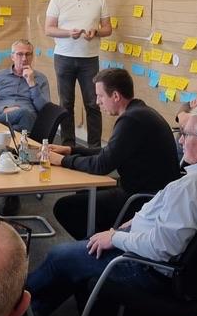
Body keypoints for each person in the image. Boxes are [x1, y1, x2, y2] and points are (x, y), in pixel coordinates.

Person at [27, 106, 197, 316]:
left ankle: (18, 306)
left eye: (186, 134)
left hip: (147, 267)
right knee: (79, 255)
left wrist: (115, 238)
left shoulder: (191, 189)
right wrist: (126, 227)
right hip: (195, 276)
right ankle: (38, 305)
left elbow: (160, 248)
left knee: (60, 256)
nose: (181, 140)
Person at [49, 68, 180, 239]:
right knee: (83, 192)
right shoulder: (139, 112)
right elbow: (111, 151)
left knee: (64, 207)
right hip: (153, 192)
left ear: (116, 96)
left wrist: (63, 160)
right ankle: (105, 236)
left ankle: (100, 246)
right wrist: (72, 150)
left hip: (143, 199)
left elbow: (101, 165)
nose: (97, 102)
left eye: (101, 96)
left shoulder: (130, 120)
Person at [45, 0, 112, 148]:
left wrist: (96, 32)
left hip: (89, 59)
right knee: (66, 104)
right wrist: (68, 33)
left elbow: (108, 28)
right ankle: (68, 146)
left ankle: (95, 148)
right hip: (64, 57)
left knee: (93, 103)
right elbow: (48, 29)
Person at [0, 39, 51, 132]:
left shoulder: (40, 78)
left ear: (32, 57)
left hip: (28, 119)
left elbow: (45, 110)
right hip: (2, 118)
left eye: (28, 54)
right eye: (20, 54)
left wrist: (32, 83)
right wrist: (4, 110)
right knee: (22, 114)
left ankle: (8, 135)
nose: (24, 59)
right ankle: (21, 142)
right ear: (12, 56)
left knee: (24, 115)